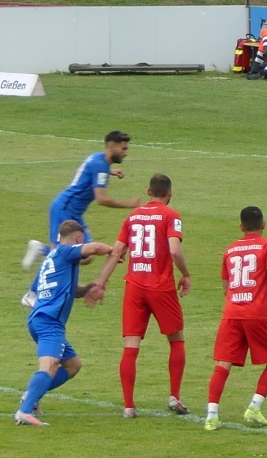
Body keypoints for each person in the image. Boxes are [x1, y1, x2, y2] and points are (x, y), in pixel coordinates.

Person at [89, 173, 193, 419]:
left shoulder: (133, 216)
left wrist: (101, 282)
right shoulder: (171, 215)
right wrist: (186, 274)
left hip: (134, 287)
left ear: (148, 192)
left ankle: (128, 406)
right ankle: (174, 397)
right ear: (170, 193)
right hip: (161, 287)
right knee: (176, 339)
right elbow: (175, 251)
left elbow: (116, 252)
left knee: (131, 346)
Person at [15, 219, 113, 426]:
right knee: (49, 365)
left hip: (41, 319)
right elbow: (95, 248)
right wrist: (114, 250)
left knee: (73, 365)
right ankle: (25, 411)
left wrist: (89, 288)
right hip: (49, 321)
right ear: (77, 238)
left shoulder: (53, 257)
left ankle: (31, 395)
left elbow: (71, 290)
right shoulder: (65, 251)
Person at [22, 132, 140, 302]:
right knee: (57, 255)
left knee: (87, 256)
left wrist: (109, 171)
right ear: (111, 146)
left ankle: (41, 249)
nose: (125, 153)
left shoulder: (98, 159)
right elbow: (101, 199)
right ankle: (32, 294)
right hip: (64, 210)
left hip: (74, 213)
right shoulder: (100, 164)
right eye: (123, 149)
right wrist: (128, 204)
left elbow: (83, 170)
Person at [204, 205, 267, 431]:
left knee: (224, 363)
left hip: (232, 313)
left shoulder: (230, 250)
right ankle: (254, 407)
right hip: (257, 313)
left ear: (241, 227)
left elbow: (226, 287)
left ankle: (211, 415)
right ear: (263, 224)